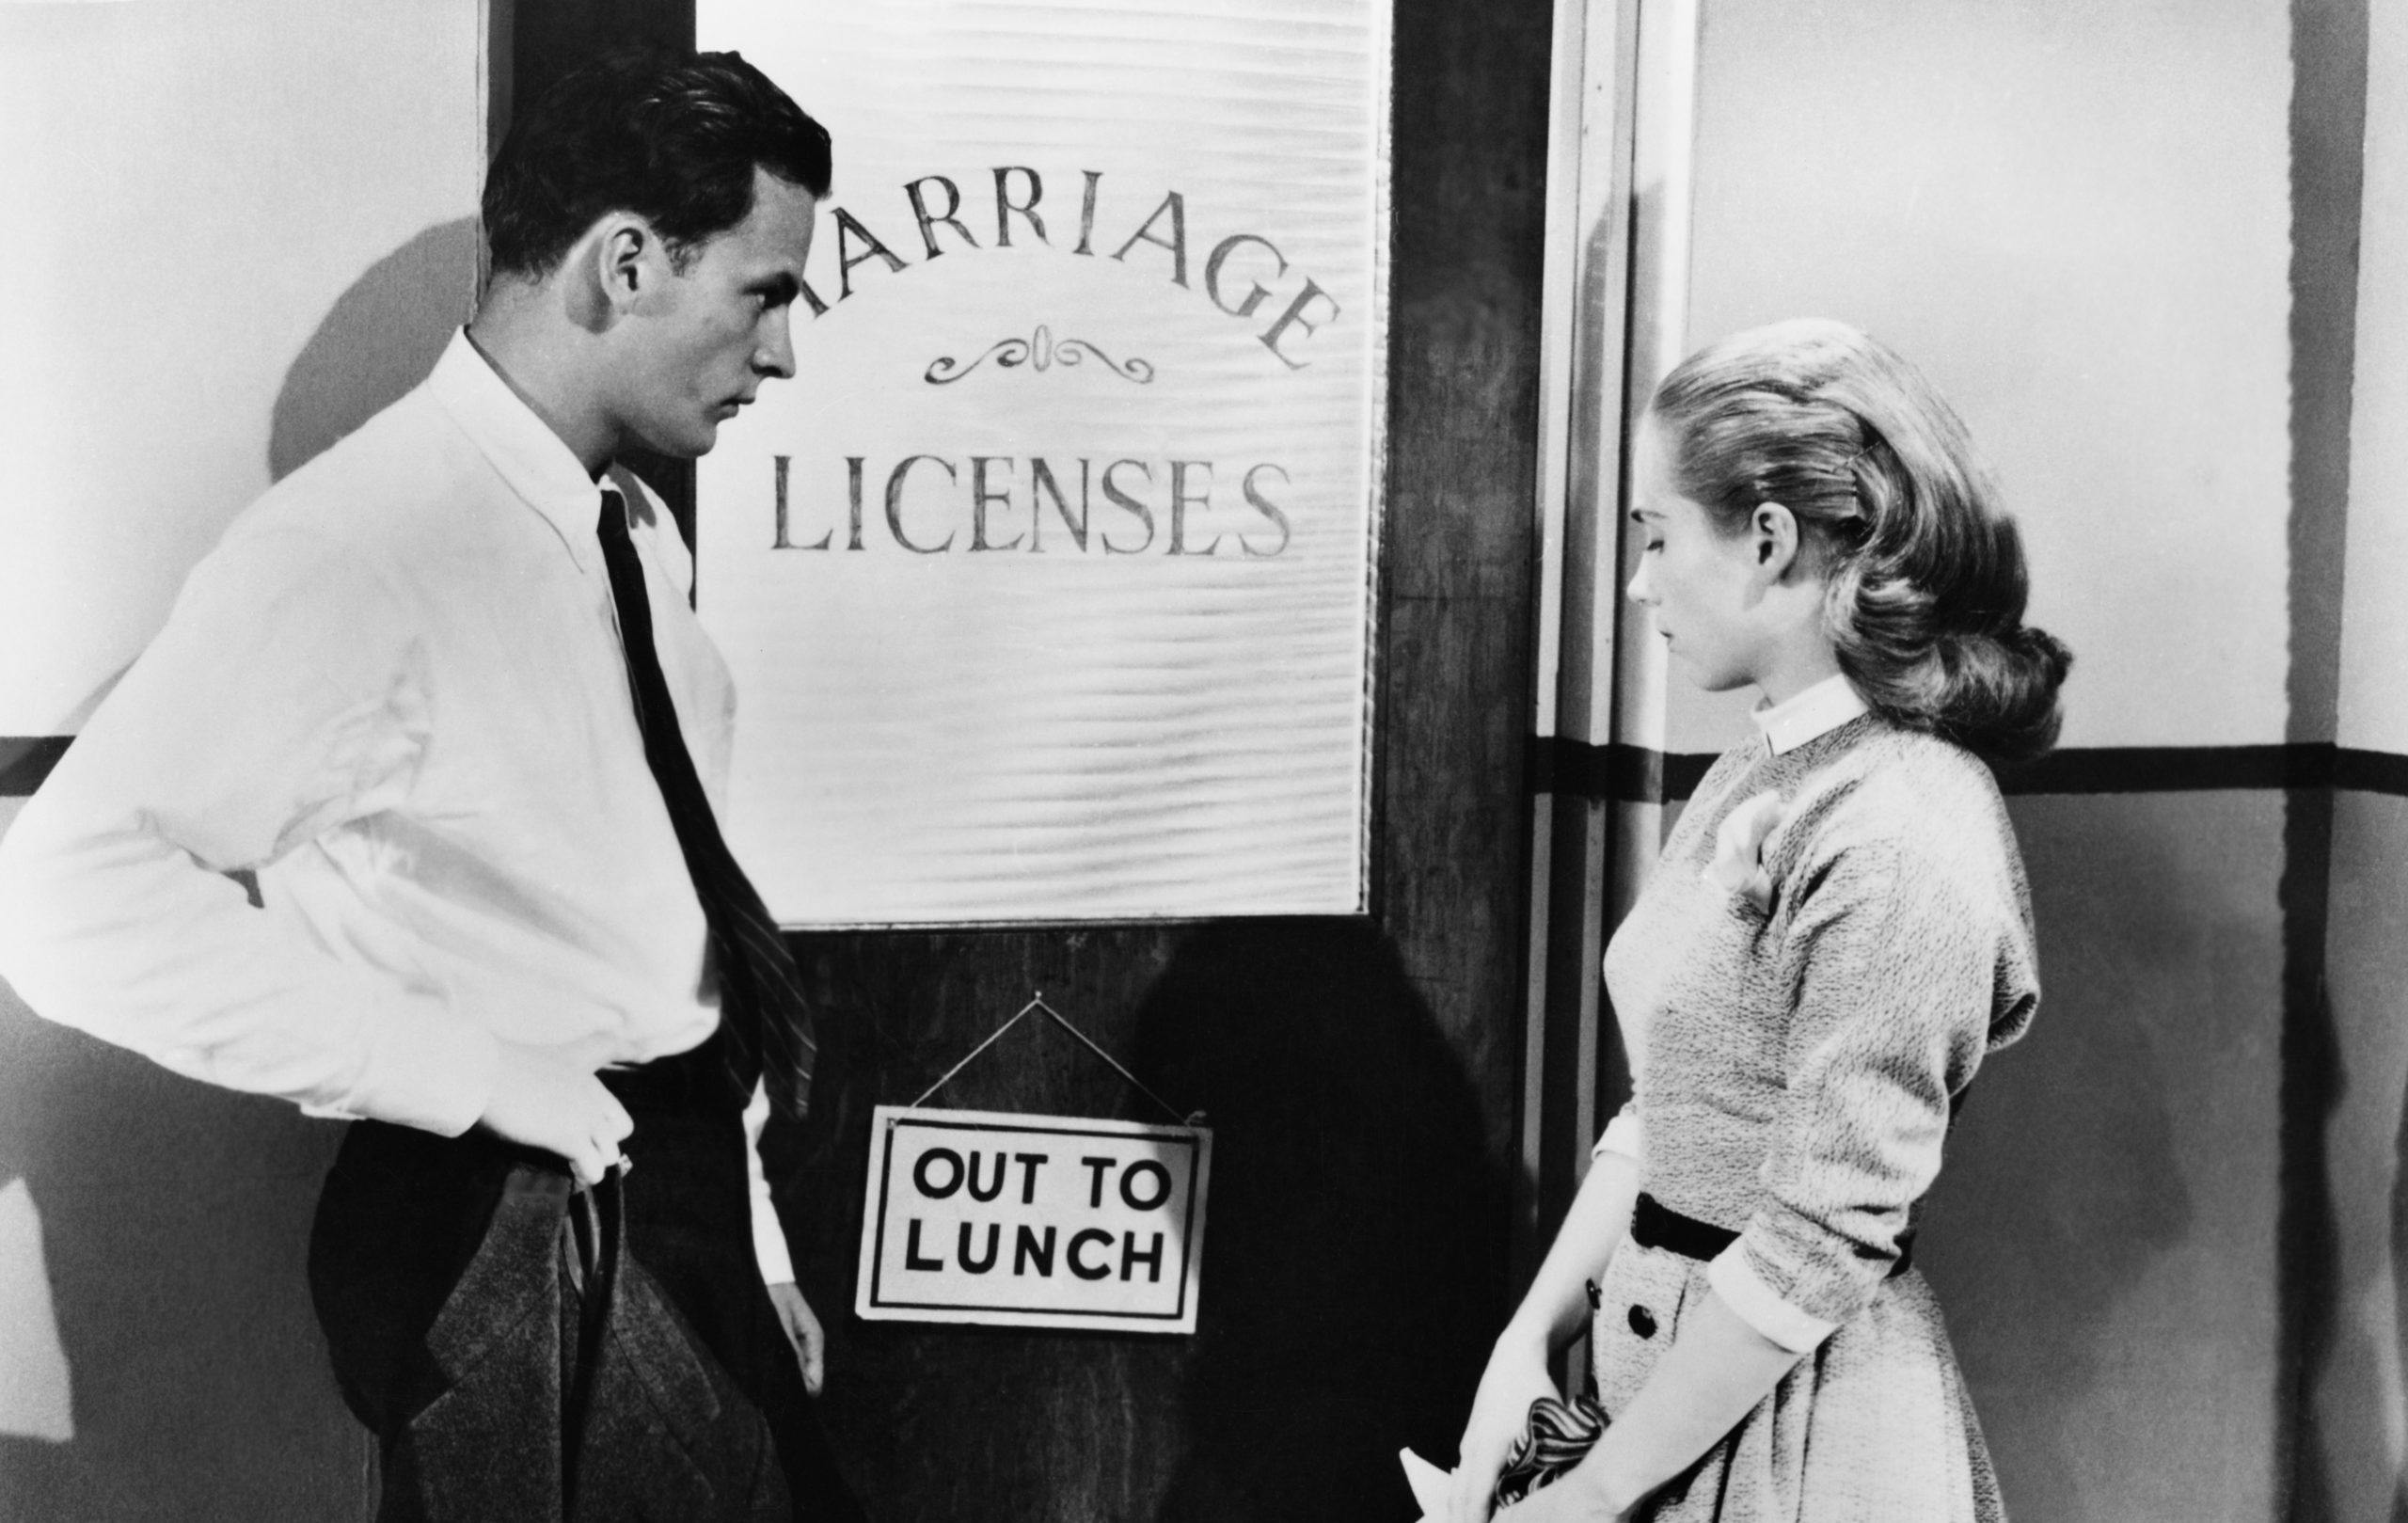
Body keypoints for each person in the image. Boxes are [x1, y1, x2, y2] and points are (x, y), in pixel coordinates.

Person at [0, 49, 863, 1521]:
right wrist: (477, 1078)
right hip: (520, 1226)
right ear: (628, 261)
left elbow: (665, 923)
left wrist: (754, 1237)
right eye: (766, 294)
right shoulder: (361, 546)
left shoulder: (629, 530)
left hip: (675, 1198)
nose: (782, 354)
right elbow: (71, 898)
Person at [1450, 319, 2069, 1522]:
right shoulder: (1768, 762)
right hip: (1675, 1405)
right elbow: (1676, 1097)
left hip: (1799, 1440)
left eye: (1655, 535)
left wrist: (1587, 1499)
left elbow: (1816, 1237)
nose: (1639, 582)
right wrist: (1521, 1346)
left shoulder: (1901, 826)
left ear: (1768, 543)